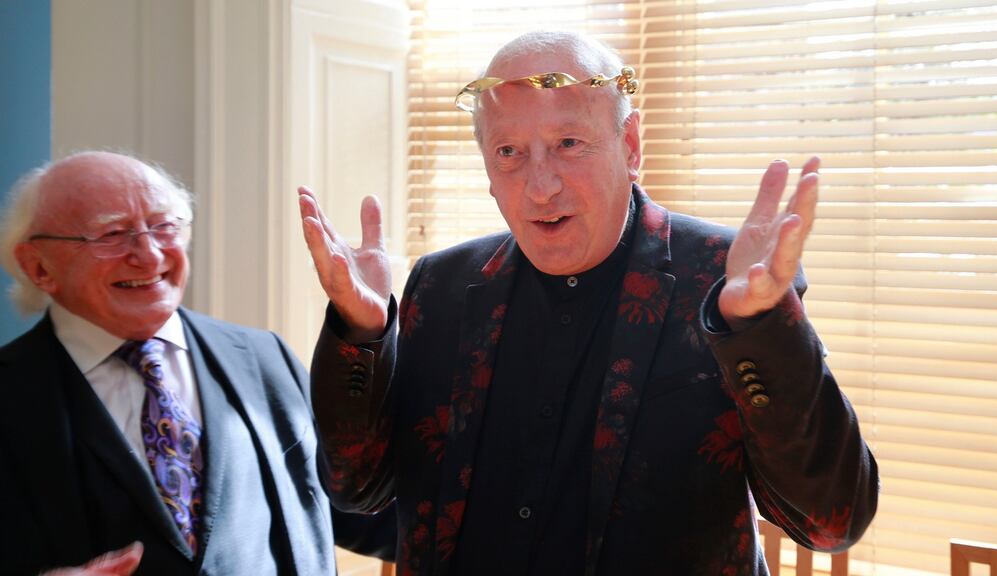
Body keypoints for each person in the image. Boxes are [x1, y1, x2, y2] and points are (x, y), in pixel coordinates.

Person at [299, 31, 879, 575]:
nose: (540, 186)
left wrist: (758, 331)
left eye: (569, 144)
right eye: (509, 151)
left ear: (630, 146)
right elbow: (357, 491)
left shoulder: (722, 278)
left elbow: (830, 521)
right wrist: (361, 334)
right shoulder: (441, 285)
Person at [0, 151, 396, 575]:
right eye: (112, 234)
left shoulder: (263, 358)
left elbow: (372, 516)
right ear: (38, 267)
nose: (150, 255)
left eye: (163, 226)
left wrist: (366, 329)